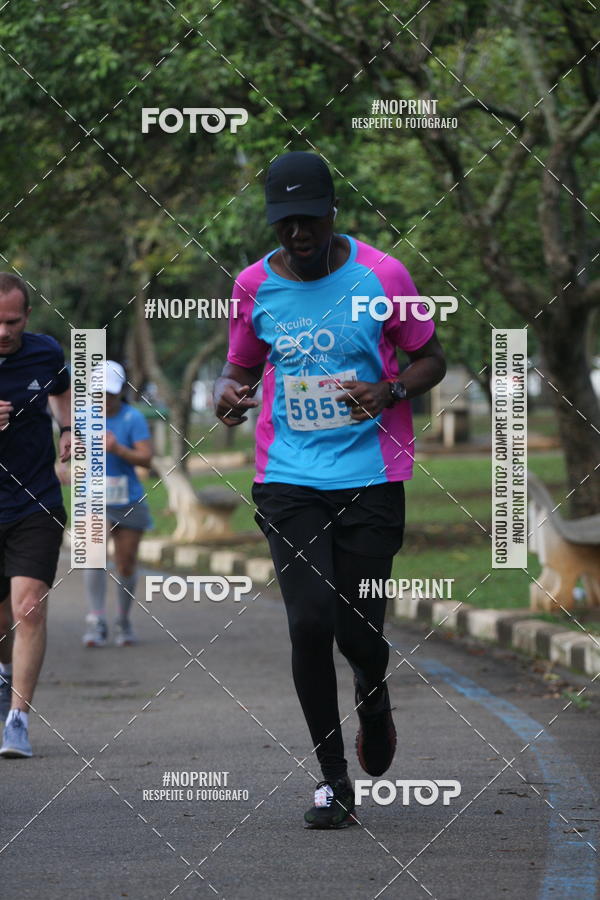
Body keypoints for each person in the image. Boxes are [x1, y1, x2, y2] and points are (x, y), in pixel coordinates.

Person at [213, 152, 447, 828]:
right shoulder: (253, 285)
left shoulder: (384, 274)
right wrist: (230, 396)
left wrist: (389, 389)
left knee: (359, 632)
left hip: (372, 477)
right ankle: (333, 779)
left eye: (308, 221)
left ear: (332, 212)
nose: (297, 236)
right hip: (287, 478)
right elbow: (240, 367)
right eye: (284, 224)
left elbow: (433, 356)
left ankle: (373, 698)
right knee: (310, 622)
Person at [0, 273, 71, 758]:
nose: (3, 331)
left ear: (27, 316)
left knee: (28, 606)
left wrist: (67, 426)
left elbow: (62, 388)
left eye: (12, 321)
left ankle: (18, 720)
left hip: (35, 499)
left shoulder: (45, 352)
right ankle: (5, 676)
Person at [83, 361, 153, 647]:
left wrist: (118, 449)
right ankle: (97, 621)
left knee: (125, 563)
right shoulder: (82, 417)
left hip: (128, 499)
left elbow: (146, 458)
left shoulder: (133, 418)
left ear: (121, 390)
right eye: (99, 393)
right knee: (93, 558)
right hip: (94, 498)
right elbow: (70, 449)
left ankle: (123, 621)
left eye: (110, 393)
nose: (104, 398)